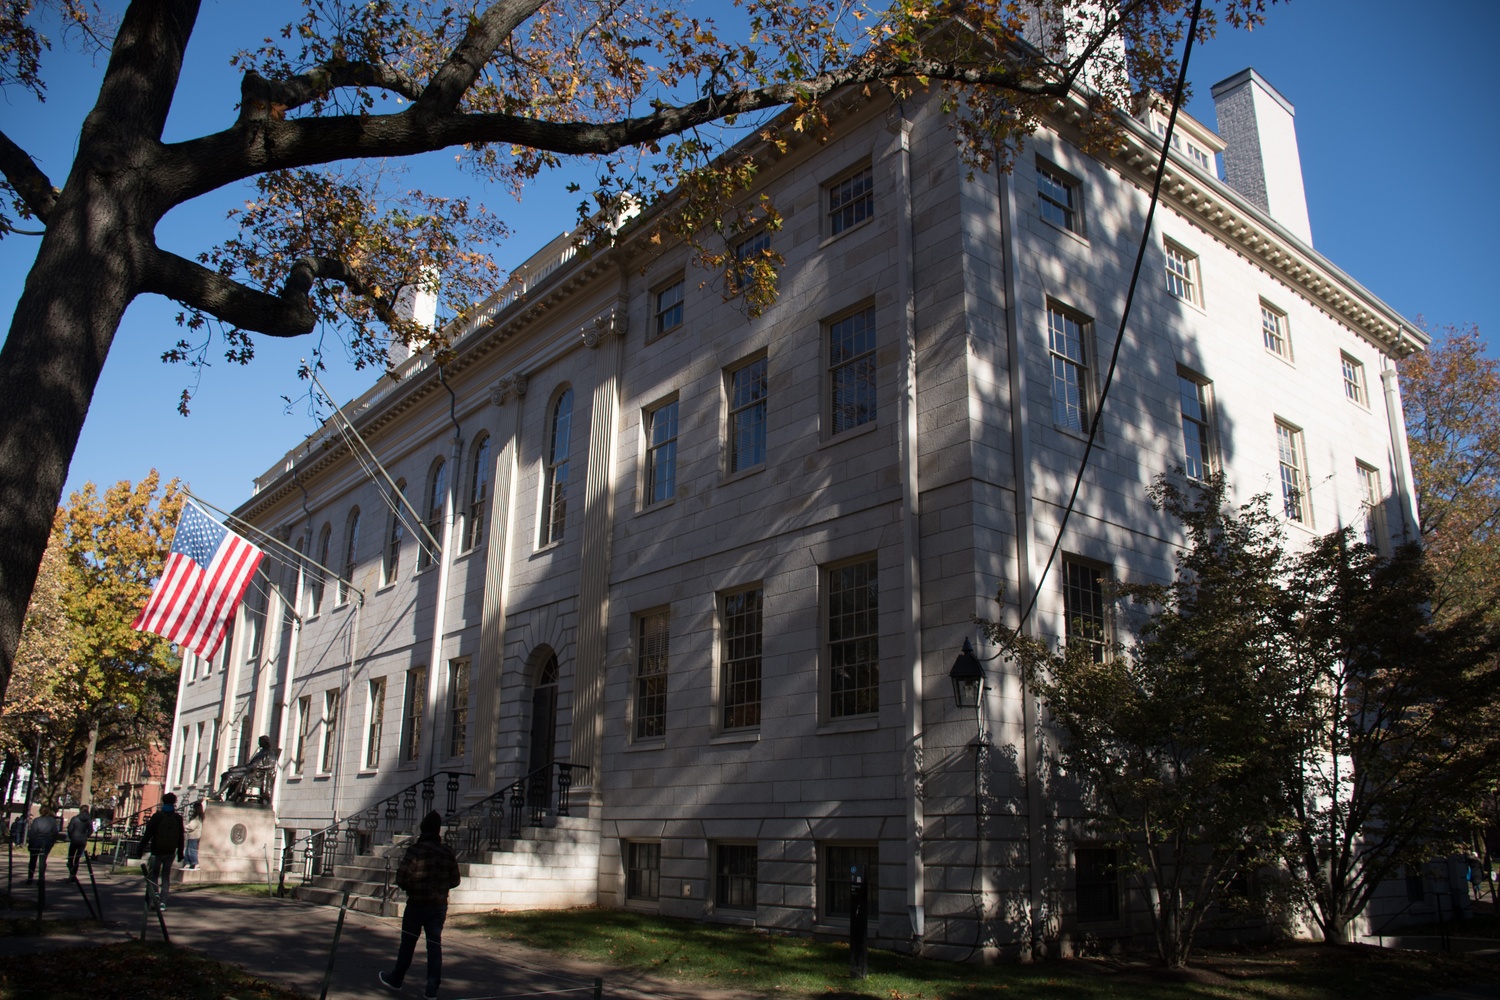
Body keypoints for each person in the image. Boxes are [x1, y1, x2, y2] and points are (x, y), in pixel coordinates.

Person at [379, 811, 461, 1000]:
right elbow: (455, 880)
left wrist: (413, 886)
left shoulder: (416, 850)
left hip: (417, 904)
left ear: (423, 829)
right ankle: (432, 988)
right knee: (434, 946)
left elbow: (402, 878)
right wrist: (440, 887)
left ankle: (396, 978)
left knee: (408, 944)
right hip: (438, 905)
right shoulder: (447, 852)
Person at [139, 792, 186, 910]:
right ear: (174, 803)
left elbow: (148, 833)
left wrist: (141, 847)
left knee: (154, 873)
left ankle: (155, 893)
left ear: (163, 802)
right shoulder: (178, 818)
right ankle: (163, 902)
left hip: (157, 849)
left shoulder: (157, 816)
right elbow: (181, 836)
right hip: (170, 850)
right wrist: (180, 852)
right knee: (166, 875)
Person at [25, 805, 59, 883]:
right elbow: (55, 833)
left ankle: (30, 878)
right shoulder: (52, 821)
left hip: (36, 841)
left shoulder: (37, 820)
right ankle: (41, 878)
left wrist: (30, 843)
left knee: (33, 860)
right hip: (47, 842)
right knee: (43, 860)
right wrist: (52, 842)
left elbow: (33, 833)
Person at [66, 805, 91, 881]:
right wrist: (86, 836)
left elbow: (70, 829)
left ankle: (72, 873)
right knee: (77, 858)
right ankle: (74, 874)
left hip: (74, 839)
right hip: (82, 840)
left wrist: (71, 836)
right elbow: (90, 830)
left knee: (71, 857)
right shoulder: (88, 820)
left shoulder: (75, 818)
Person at [183, 801, 203, 870]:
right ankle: (187, 863)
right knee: (188, 850)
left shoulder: (196, 818)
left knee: (191, 850)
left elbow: (191, 826)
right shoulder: (199, 817)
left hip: (194, 836)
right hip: (193, 836)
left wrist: (185, 827)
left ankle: (195, 863)